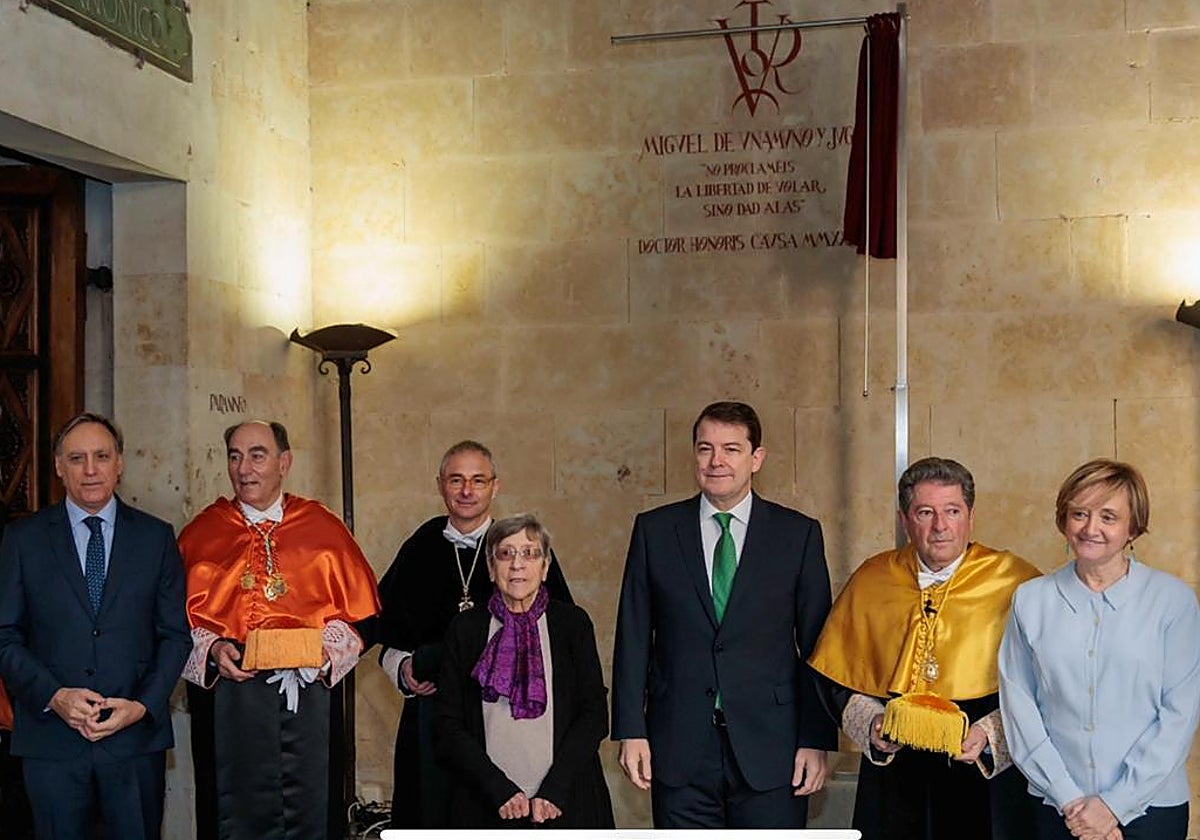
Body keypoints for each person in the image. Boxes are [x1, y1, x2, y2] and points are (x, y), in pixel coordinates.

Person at [611, 400, 836, 828]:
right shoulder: (655, 531)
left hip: (773, 751)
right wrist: (631, 729)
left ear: (756, 458)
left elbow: (818, 646)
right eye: (705, 448)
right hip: (678, 748)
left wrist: (815, 738)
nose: (717, 461)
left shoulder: (798, 534)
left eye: (731, 449)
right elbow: (633, 637)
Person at [808, 456, 1041, 840]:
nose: (940, 526)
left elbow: (1047, 685)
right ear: (905, 520)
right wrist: (873, 725)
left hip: (980, 771)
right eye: (925, 512)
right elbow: (833, 676)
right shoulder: (872, 578)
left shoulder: (1016, 582)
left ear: (971, 516)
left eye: (952, 511)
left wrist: (991, 735)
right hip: (895, 772)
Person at [178, 420, 380, 840]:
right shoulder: (201, 533)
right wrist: (212, 650)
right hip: (229, 699)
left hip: (310, 699)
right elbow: (171, 622)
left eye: (257, 455)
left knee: (314, 811)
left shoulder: (322, 528)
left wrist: (326, 652)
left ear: (284, 462)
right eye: (235, 456)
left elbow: (365, 616)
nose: (244, 468)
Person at [0, 412, 190, 840]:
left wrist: (141, 706)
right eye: (77, 458)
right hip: (51, 743)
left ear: (119, 463)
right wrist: (54, 696)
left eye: (102, 456)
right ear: (58, 467)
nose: (90, 469)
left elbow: (176, 637)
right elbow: (4, 635)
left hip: (134, 743)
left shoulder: (157, 538)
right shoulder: (22, 540)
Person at [376, 439, 573, 828]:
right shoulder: (421, 545)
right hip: (433, 717)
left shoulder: (518, 549)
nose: (467, 491)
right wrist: (402, 668)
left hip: (500, 718)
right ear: (440, 485)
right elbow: (382, 627)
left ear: (495, 487)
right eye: (456, 480)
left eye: (478, 480)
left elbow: (560, 630)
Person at [1000, 459, 1200, 840]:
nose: (1091, 528)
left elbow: (1180, 715)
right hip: (1057, 808)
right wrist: (1070, 800)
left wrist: (1113, 806)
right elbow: (1020, 709)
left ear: (1133, 527)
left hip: (1153, 809)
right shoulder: (1030, 600)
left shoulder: (1173, 601)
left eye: (1108, 517)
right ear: (1064, 520)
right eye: (1080, 514)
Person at [434, 514, 613, 827]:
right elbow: (447, 724)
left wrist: (555, 790)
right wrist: (497, 789)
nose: (517, 564)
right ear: (491, 568)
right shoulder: (465, 629)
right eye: (506, 554)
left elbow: (594, 714)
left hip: (565, 801)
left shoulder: (572, 624)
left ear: (545, 567)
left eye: (530, 554)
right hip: (485, 803)